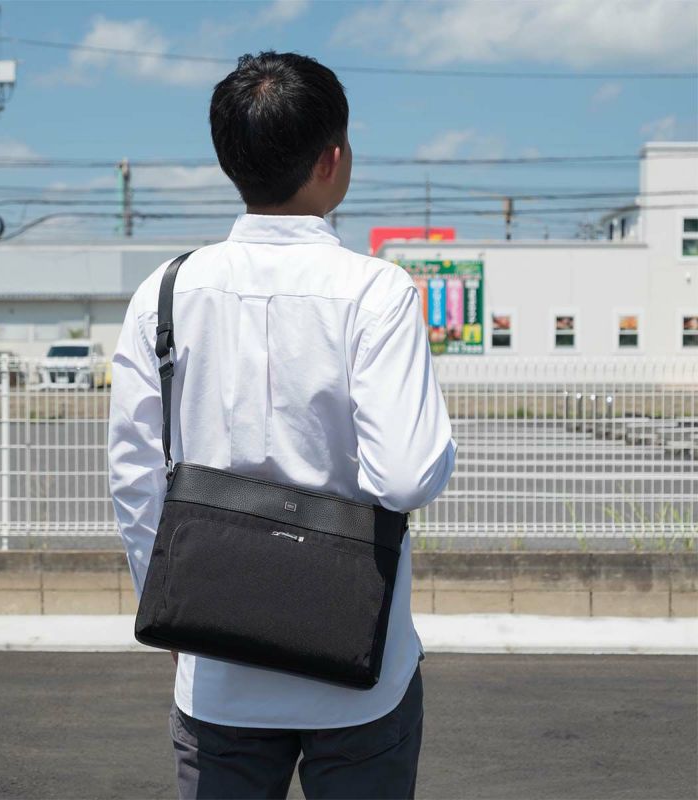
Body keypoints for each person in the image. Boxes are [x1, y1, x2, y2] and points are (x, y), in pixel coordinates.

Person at [108, 50, 457, 800]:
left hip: (218, 668)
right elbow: (404, 476)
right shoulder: (377, 292)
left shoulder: (165, 292)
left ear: (229, 160)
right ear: (333, 159)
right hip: (359, 668)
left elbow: (135, 479)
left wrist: (164, 610)